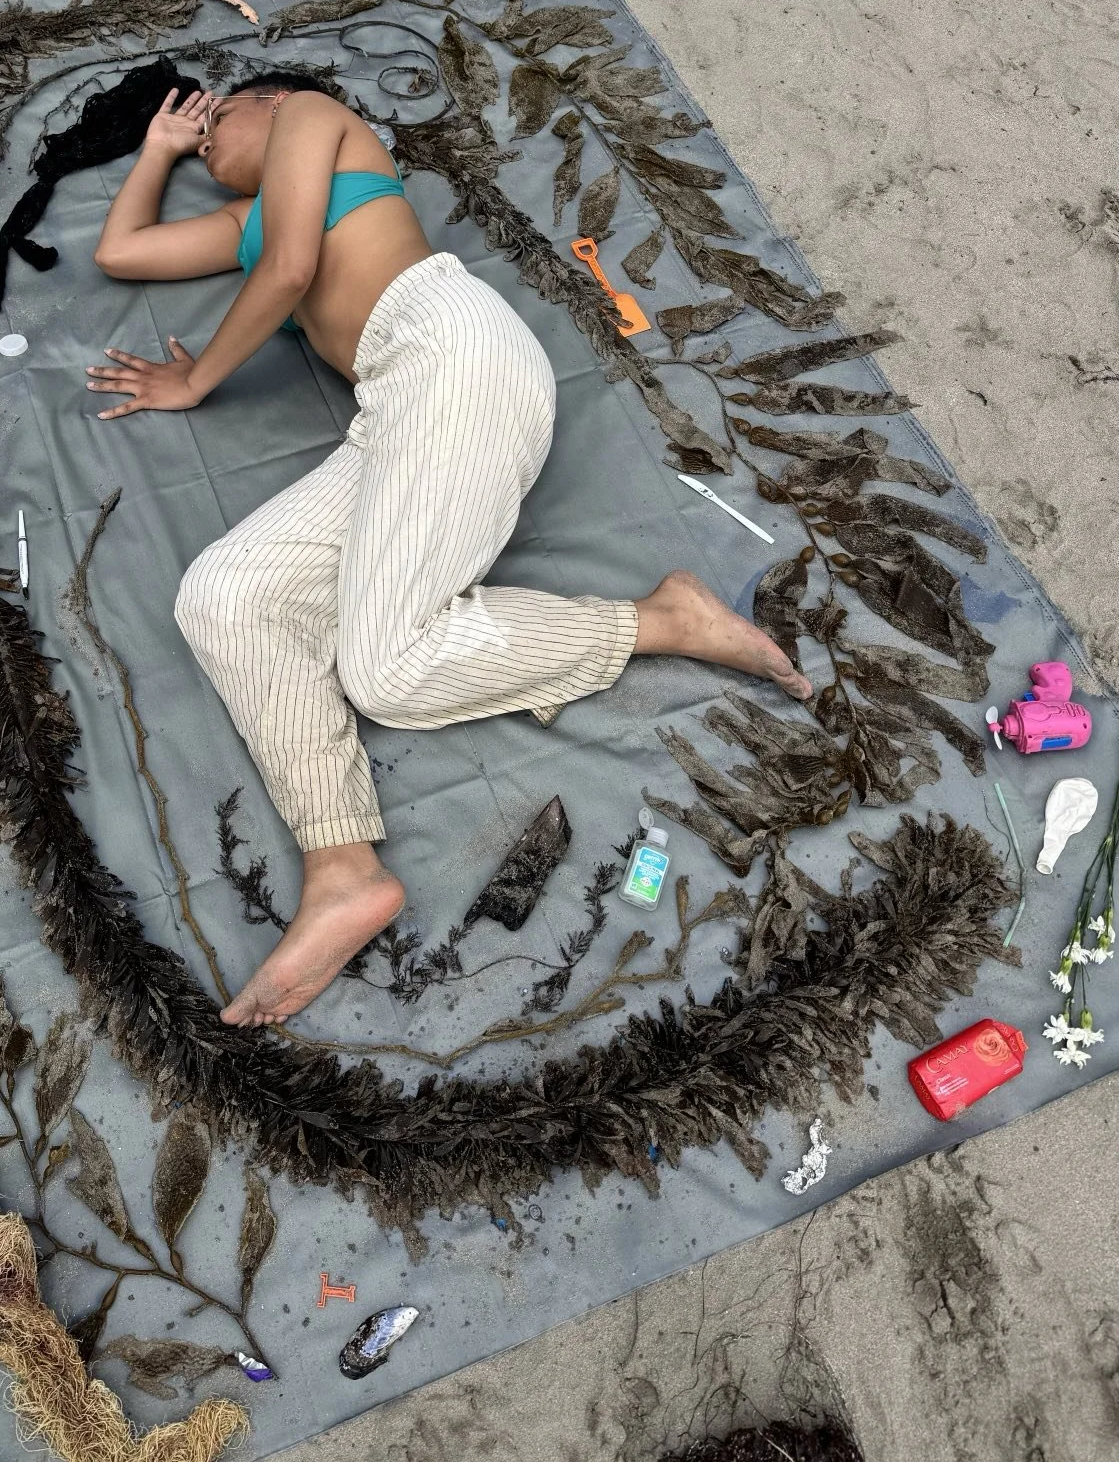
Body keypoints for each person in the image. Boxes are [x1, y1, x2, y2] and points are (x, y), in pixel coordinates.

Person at [88, 79, 811, 1028]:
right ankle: (342, 867)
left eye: (217, 118)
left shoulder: (313, 115)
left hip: (453, 354)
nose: (207, 140)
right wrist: (157, 147)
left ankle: (664, 618)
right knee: (223, 595)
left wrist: (194, 379)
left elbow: (295, 268)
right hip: (394, 411)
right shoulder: (244, 223)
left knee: (387, 669)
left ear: (266, 102)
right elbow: (121, 251)